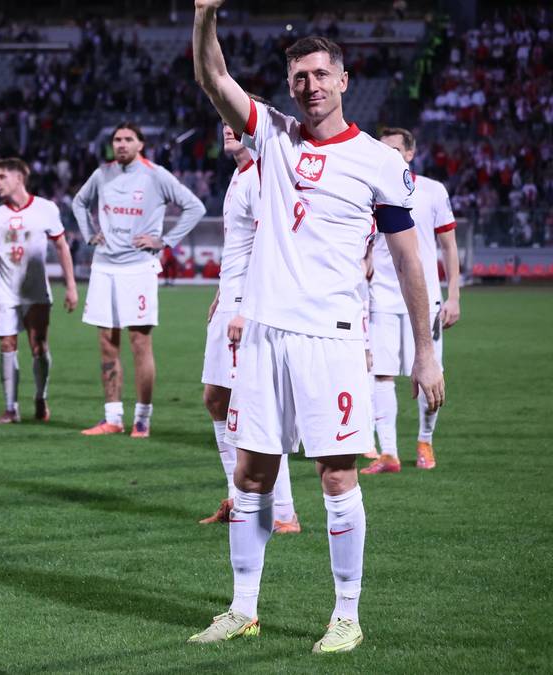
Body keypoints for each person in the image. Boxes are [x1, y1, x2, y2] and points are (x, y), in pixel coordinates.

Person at [189, 3, 444, 653]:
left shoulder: (377, 161)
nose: (309, 86)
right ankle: (243, 606)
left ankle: (347, 613)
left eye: (320, 74)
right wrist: (203, 19)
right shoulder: (272, 134)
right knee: (251, 472)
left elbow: (410, 259)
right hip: (267, 333)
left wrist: (426, 352)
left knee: (337, 474)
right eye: (298, 76)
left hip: (331, 336)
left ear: (343, 79)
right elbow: (214, 79)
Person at [72, 122, 206, 438]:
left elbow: (194, 207)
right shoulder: (102, 173)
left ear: (141, 144)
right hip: (104, 267)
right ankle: (113, 417)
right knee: (107, 343)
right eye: (117, 139)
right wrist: (90, 233)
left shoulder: (155, 175)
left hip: (138, 269)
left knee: (139, 343)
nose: (121, 144)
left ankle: (142, 419)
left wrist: (165, 240)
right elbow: (79, 202)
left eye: (128, 139)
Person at [198, 116, 298, 534]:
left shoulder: (261, 176)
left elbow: (271, 245)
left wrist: (247, 307)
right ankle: (239, 499)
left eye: (234, 120)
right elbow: (242, 245)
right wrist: (224, 294)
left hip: (250, 306)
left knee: (252, 406)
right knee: (218, 399)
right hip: (234, 299)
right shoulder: (240, 175)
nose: (226, 126)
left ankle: (283, 512)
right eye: (220, 120)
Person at [362, 127, 461, 474]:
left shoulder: (432, 191)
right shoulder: (371, 189)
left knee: (430, 372)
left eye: (393, 149)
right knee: (382, 374)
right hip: (382, 297)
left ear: (409, 154)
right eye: (382, 148)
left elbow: (449, 246)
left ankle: (425, 441)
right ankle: (388, 453)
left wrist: (454, 295)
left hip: (425, 297)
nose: (386, 154)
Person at [0, 158, 77, 423]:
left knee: (38, 347)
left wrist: (70, 286)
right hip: (4, 291)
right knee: (6, 344)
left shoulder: (46, 209)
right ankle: (11, 408)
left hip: (35, 290)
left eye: (1, 177)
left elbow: (61, 247)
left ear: (18, 179)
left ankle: (40, 396)